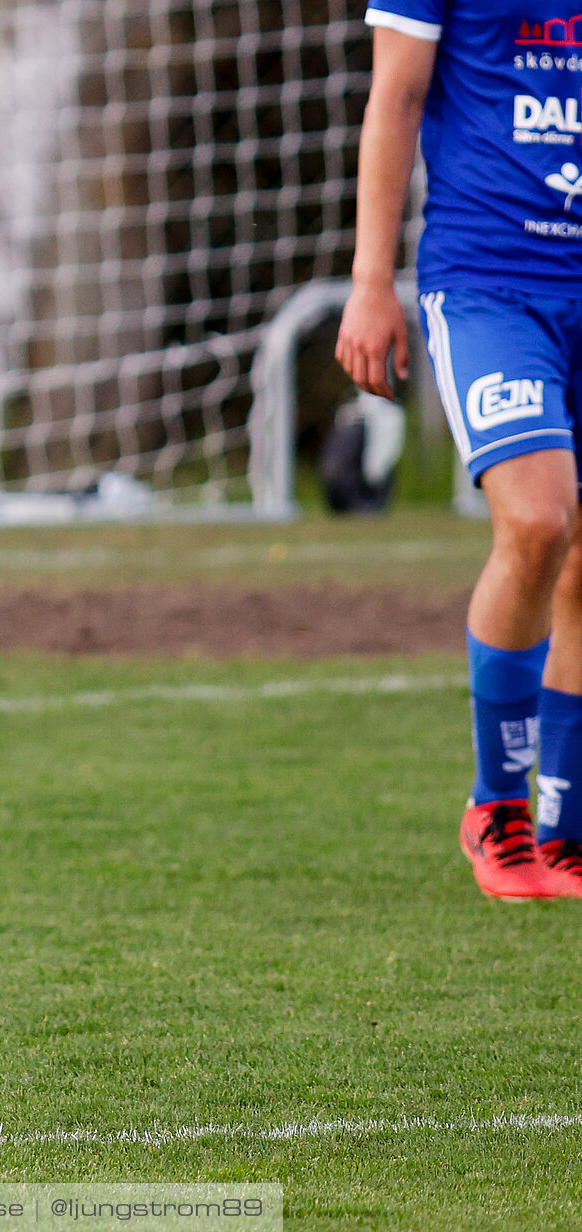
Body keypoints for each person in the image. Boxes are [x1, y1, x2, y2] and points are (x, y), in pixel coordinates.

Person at [337, 3, 582, 900]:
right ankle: (497, 807)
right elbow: (396, 97)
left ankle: (566, 827)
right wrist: (372, 282)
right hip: (491, 282)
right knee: (539, 519)